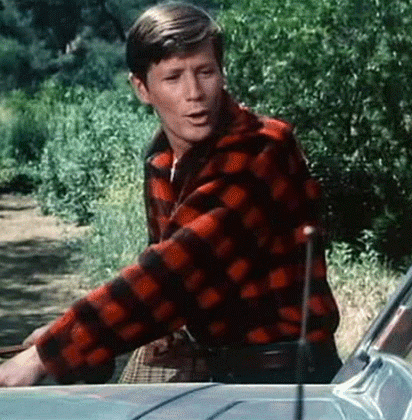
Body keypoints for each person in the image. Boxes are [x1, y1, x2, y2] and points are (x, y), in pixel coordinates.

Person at [0, 2, 340, 386]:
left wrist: (51, 351)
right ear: (142, 88)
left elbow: (177, 273)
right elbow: (160, 269)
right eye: (173, 77)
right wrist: (68, 333)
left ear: (222, 74)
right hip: (220, 372)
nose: (194, 93)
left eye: (205, 72)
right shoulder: (163, 158)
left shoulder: (260, 151)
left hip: (286, 381)